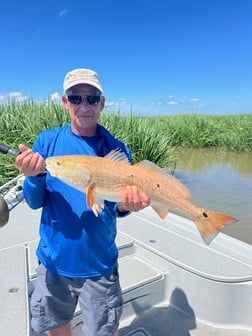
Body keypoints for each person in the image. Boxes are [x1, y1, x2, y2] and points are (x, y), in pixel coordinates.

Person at [15, 68, 150, 336]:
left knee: (103, 331)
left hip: (99, 265)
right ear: (65, 102)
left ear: (102, 103)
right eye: (76, 98)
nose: (84, 106)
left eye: (91, 98)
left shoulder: (116, 149)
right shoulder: (48, 142)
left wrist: (127, 205)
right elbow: (34, 202)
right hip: (53, 262)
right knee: (56, 327)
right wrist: (33, 177)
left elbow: (114, 206)